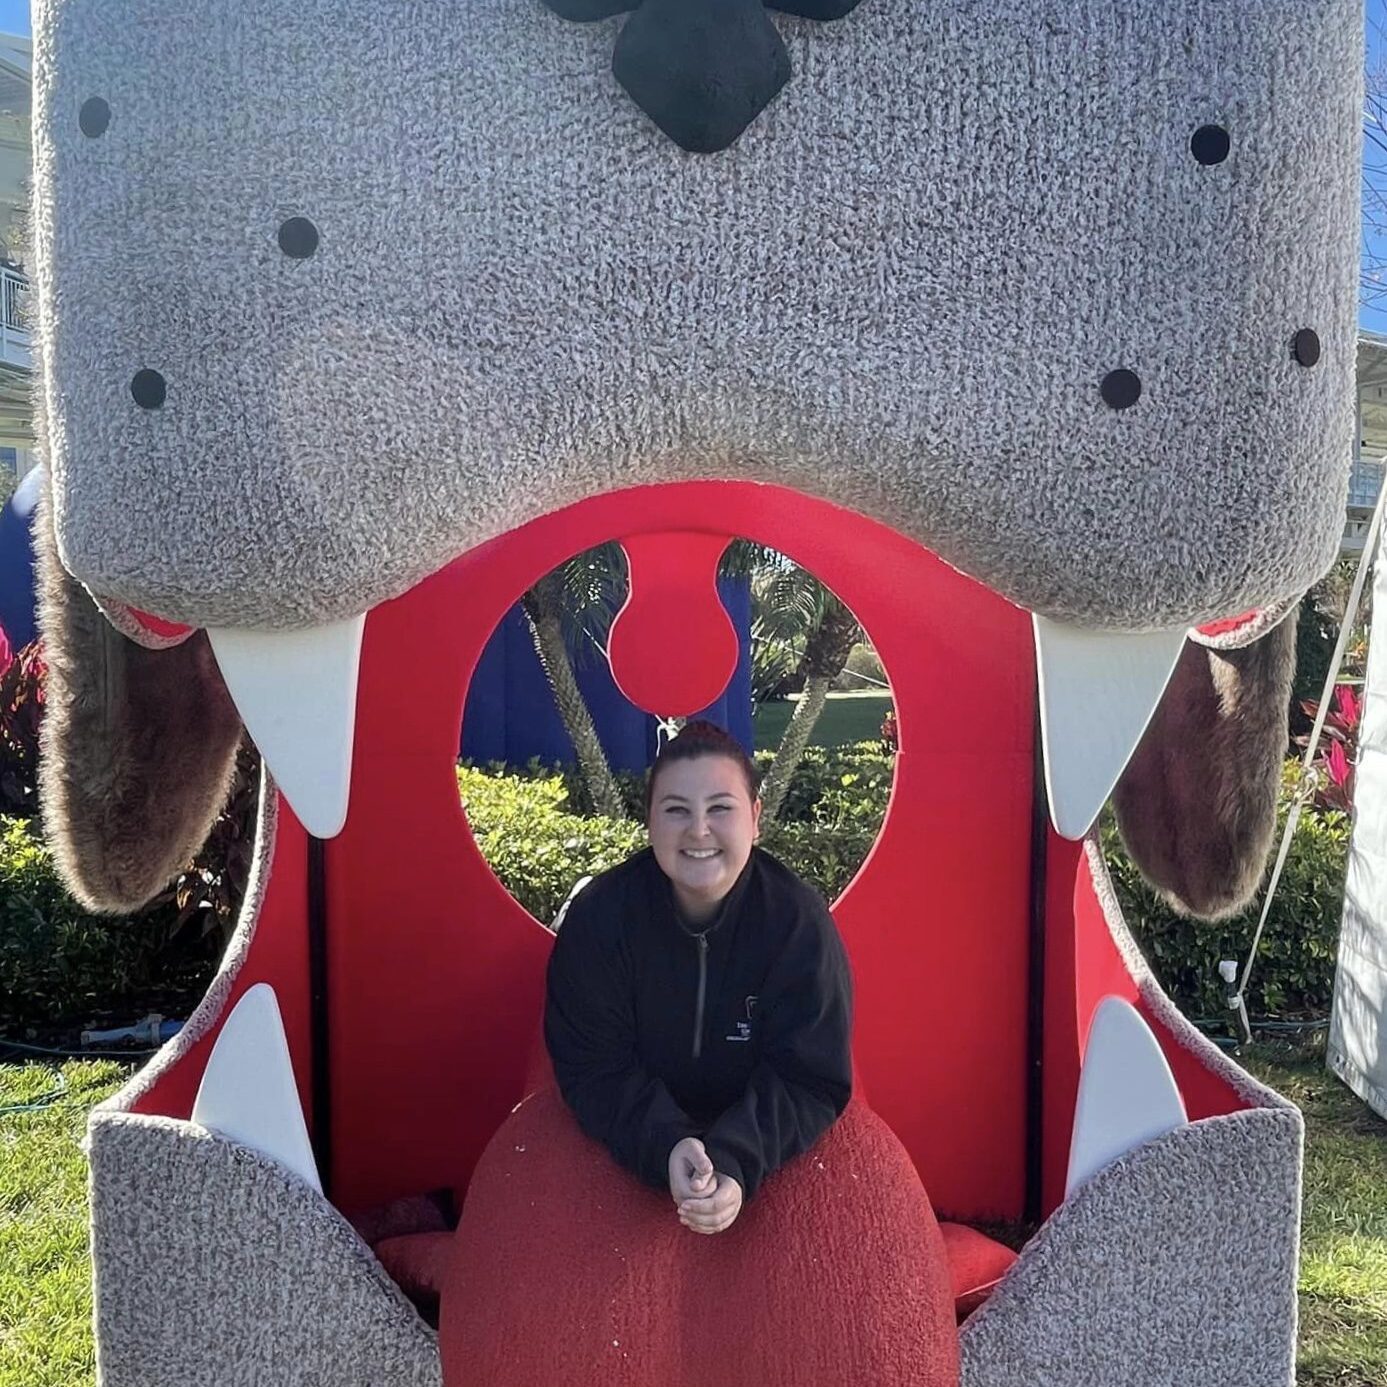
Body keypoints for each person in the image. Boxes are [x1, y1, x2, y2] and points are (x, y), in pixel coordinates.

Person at [544, 720, 854, 1236]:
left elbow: (811, 1076)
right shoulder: (601, 920)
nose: (699, 830)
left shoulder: (796, 924)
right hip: (633, 1138)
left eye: (720, 808)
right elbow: (592, 1066)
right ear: (650, 822)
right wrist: (666, 1144)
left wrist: (736, 1157)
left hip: (761, 1143)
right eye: (676, 811)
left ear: (755, 818)